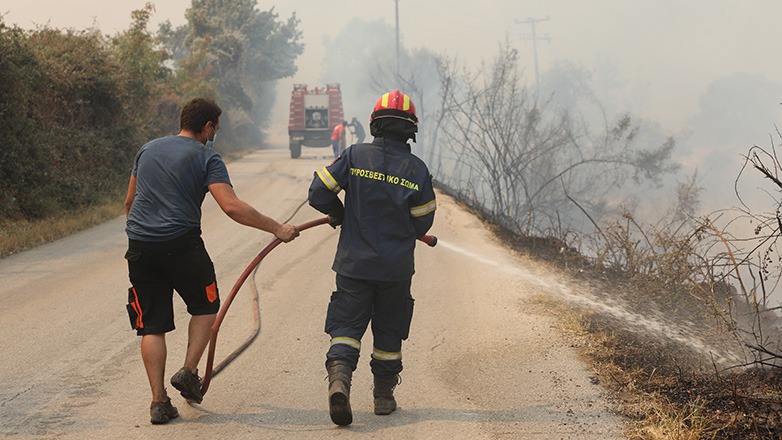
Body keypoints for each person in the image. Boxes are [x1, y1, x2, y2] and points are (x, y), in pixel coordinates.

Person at [124, 97, 299, 425]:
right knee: (205, 307)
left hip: (140, 246)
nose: (215, 135)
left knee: (152, 325)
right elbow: (231, 206)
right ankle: (189, 372)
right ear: (206, 126)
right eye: (215, 129)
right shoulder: (207, 156)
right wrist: (278, 228)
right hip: (181, 245)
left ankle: (159, 402)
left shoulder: (147, 150)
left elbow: (130, 201)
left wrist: (140, 239)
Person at [308, 90, 436, 425]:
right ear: (410, 131)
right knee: (389, 332)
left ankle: (339, 383)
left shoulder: (354, 155)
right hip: (395, 269)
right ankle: (383, 397)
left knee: (346, 328)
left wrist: (339, 213)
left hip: (353, 264)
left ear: (374, 124)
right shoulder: (416, 169)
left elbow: (319, 191)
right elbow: (423, 220)